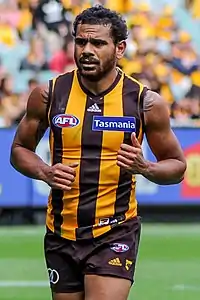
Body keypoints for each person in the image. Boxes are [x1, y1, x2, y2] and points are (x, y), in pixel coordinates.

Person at [10, 5, 187, 300]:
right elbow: (18, 150)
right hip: (61, 231)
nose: (87, 50)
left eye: (98, 43)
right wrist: (44, 171)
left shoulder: (145, 103)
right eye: (81, 42)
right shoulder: (48, 94)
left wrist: (146, 168)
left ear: (120, 48)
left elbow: (178, 167)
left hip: (115, 231)